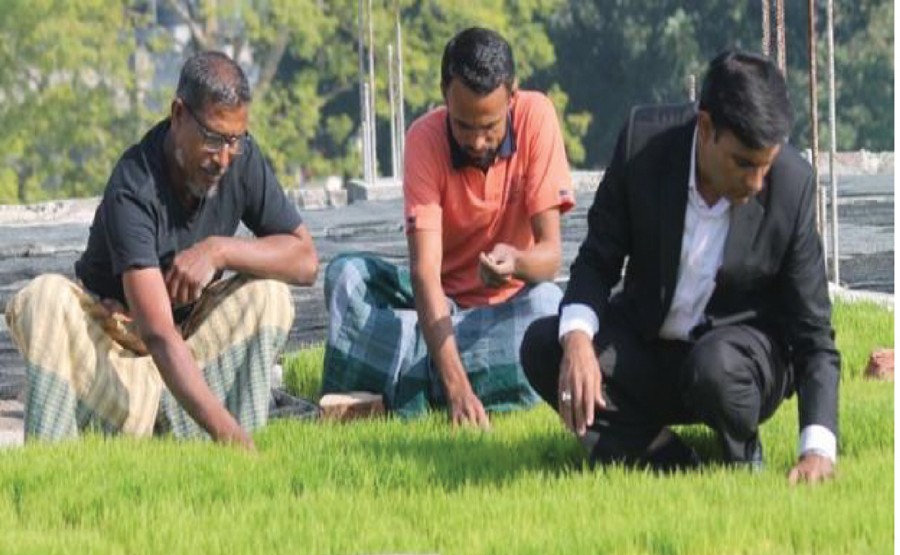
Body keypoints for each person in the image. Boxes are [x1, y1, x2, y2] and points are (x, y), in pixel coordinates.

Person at [520, 50, 840, 484]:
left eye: (765, 165)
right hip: (648, 349)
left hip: (737, 365)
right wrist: (577, 342)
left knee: (714, 367)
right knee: (545, 345)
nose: (757, 183)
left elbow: (814, 335)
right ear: (705, 128)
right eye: (744, 164)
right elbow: (597, 259)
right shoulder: (642, 144)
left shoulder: (793, 185)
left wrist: (818, 449)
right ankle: (663, 457)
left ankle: (742, 453)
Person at [5, 51, 318, 450]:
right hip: (112, 364)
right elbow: (156, 334)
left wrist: (219, 250)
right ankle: (57, 466)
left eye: (234, 141)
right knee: (44, 298)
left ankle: (219, 450)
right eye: (212, 138)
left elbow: (305, 260)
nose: (223, 158)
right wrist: (232, 439)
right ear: (178, 114)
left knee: (268, 295)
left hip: (190, 356)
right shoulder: (134, 186)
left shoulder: (241, 161)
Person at [321, 27, 575, 427]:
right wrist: (457, 386)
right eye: (463, 126)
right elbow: (424, 273)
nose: (476, 141)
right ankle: (460, 379)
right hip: (439, 306)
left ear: (512, 97)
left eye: (489, 127)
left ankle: (400, 379)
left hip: (506, 310)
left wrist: (518, 263)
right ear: (444, 95)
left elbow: (551, 256)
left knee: (546, 310)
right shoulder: (423, 138)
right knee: (346, 277)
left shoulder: (537, 117)